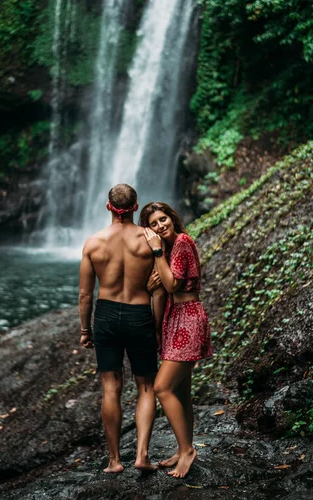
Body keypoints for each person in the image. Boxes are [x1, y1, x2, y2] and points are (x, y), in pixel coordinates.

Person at [79, 184, 159, 474]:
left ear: (107, 206)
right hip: (140, 314)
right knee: (146, 386)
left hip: (107, 315)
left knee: (111, 387)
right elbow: (161, 281)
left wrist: (85, 330)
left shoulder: (94, 243)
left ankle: (114, 461)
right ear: (136, 207)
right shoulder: (149, 239)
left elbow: (85, 295)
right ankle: (142, 455)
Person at [140, 201, 212, 479]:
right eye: (153, 224)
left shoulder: (181, 241)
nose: (160, 226)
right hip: (175, 318)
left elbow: (171, 285)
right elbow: (158, 285)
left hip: (188, 318)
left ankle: (187, 451)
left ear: (172, 217)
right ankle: (185, 447)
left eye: (162, 219)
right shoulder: (171, 248)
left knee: (162, 387)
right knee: (181, 391)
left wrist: (157, 250)